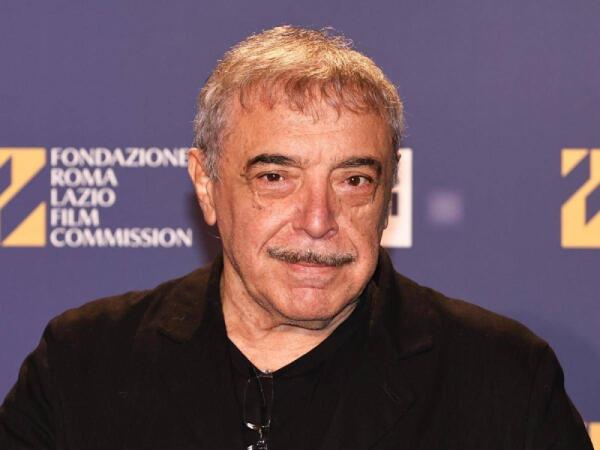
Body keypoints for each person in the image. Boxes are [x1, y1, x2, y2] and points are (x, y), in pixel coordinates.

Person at [0, 25, 592, 450]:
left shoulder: (504, 381)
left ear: (388, 192)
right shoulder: (82, 365)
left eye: (353, 180)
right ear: (206, 184)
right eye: (275, 178)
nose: (317, 219)